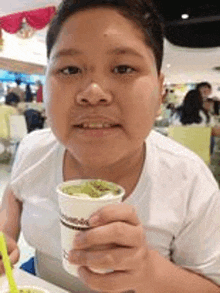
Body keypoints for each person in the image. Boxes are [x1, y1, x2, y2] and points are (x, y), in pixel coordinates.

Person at [0, 0, 220, 292]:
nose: (93, 93)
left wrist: (148, 271)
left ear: (159, 90)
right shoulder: (35, 148)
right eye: (69, 70)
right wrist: (6, 232)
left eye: (123, 68)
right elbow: (16, 190)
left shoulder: (189, 181)